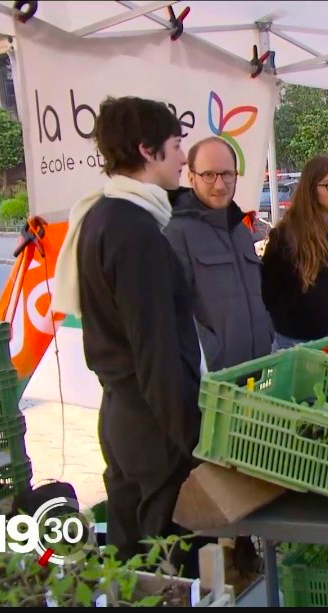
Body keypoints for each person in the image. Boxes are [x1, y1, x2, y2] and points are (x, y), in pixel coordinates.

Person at [51, 96, 201, 569]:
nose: (183, 158)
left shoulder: (100, 216)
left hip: (124, 414)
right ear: (147, 149)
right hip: (153, 424)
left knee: (130, 552)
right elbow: (155, 353)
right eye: (177, 146)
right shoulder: (134, 231)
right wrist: (193, 444)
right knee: (165, 566)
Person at [164, 137, 273, 372]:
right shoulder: (175, 232)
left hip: (258, 369)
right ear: (191, 177)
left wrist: (267, 331)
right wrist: (211, 354)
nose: (220, 185)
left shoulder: (240, 230)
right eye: (209, 175)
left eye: (226, 174)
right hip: (214, 380)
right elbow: (172, 312)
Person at [262, 155, 328, 350]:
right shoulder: (286, 237)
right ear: (312, 190)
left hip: (326, 334)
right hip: (290, 340)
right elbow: (267, 291)